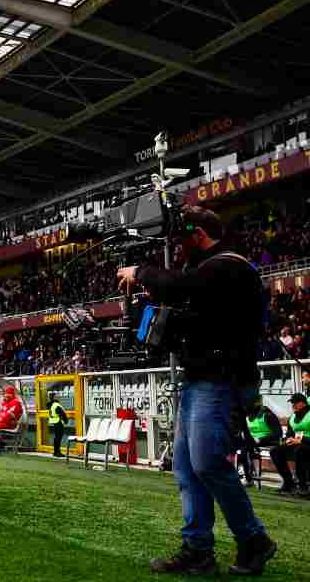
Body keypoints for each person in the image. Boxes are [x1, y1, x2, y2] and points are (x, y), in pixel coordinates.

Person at [117, 205, 276, 575]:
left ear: (199, 236)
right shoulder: (210, 272)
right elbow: (199, 315)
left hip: (219, 383)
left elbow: (183, 286)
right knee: (188, 470)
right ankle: (198, 549)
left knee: (206, 463)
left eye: (182, 240)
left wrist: (140, 272)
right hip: (199, 381)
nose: (178, 248)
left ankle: (254, 539)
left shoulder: (228, 266)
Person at [270, 392, 310, 496]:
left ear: (303, 403)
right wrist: (288, 439)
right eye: (292, 403)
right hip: (297, 445)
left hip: (307, 444)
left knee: (300, 450)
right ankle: (289, 483)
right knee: (275, 451)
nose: (293, 406)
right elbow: (289, 434)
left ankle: (303, 485)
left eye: (295, 403)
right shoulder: (292, 418)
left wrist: (301, 440)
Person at [239, 394, 281, 485]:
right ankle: (246, 475)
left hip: (268, 442)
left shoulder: (268, 415)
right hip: (253, 442)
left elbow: (278, 434)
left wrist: (259, 440)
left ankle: (248, 477)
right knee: (240, 447)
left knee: (245, 449)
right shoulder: (247, 416)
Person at [47, 392, 68, 458]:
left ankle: (55, 452)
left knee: (56, 438)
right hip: (58, 422)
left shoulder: (52, 405)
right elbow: (62, 413)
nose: (59, 396)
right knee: (58, 438)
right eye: (57, 396)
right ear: (54, 397)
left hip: (54, 423)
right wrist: (65, 420)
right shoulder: (56, 405)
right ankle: (57, 452)